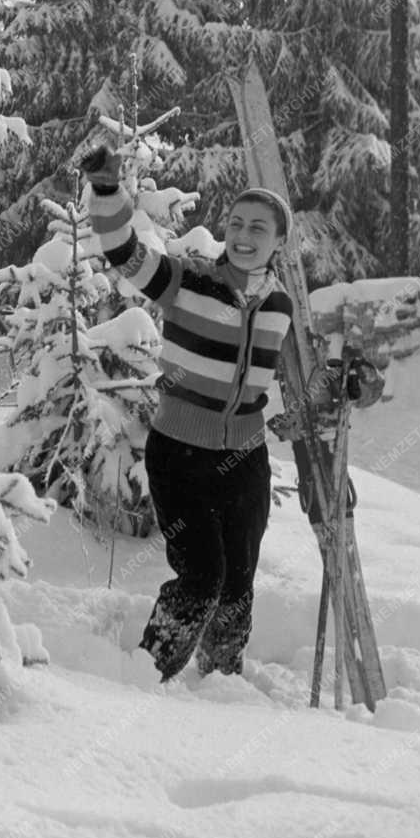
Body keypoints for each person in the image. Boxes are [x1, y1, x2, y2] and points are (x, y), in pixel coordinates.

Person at [81, 144, 294, 681]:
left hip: (245, 456)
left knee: (239, 581)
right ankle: (148, 673)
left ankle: (222, 680)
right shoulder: (188, 280)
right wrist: (108, 192)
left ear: (279, 242)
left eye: (259, 229)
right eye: (237, 223)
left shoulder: (281, 307)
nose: (244, 236)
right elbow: (124, 252)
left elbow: (295, 376)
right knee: (203, 575)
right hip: (180, 451)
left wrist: (319, 401)